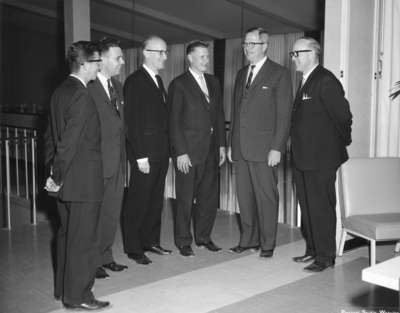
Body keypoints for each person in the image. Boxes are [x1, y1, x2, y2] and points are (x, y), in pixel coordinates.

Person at [44, 41, 110, 310]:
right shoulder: (82, 95)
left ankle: (62, 289)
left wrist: (52, 173)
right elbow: (69, 143)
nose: (99, 66)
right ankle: (78, 296)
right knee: (83, 241)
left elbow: (51, 138)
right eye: (96, 62)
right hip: (82, 182)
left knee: (66, 235)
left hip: (65, 181)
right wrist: (57, 175)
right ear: (83, 65)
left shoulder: (60, 91)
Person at [227, 27, 292, 258]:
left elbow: (284, 115)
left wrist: (277, 147)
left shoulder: (279, 73)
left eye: (252, 44)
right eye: (245, 44)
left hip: (265, 149)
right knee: (244, 197)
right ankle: (248, 239)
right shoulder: (241, 73)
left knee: (266, 197)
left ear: (265, 46)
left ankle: (267, 244)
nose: (247, 48)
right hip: (241, 148)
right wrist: (231, 144)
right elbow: (236, 112)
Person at [290, 37, 352, 272]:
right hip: (303, 158)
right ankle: (313, 250)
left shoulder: (325, 80)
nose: (294, 58)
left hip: (321, 159)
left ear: (313, 53)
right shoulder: (306, 80)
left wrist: (338, 144)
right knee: (307, 207)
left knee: (321, 207)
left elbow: (344, 117)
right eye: (293, 54)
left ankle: (325, 257)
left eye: (297, 53)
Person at [168, 41, 226, 257]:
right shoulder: (179, 84)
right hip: (188, 153)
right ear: (190, 58)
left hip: (211, 151)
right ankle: (183, 241)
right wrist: (180, 151)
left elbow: (219, 114)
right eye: (201, 57)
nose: (206, 61)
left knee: (208, 197)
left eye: (207, 56)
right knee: (184, 198)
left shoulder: (214, 82)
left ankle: (204, 236)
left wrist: (221, 144)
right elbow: (173, 121)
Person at [123, 36, 171, 265]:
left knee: (155, 201)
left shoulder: (158, 81)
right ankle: (133, 247)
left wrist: (168, 152)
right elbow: (132, 122)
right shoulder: (135, 81)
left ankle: (150, 241)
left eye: (165, 52)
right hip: (145, 155)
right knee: (138, 201)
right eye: (160, 52)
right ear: (147, 53)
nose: (165, 56)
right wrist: (140, 156)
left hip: (160, 152)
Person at [87, 37, 127, 278]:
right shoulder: (88, 88)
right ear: (101, 61)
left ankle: (105, 256)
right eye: (118, 57)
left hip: (116, 162)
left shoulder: (117, 87)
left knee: (111, 212)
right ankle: (92, 261)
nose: (122, 62)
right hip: (97, 164)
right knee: (95, 215)